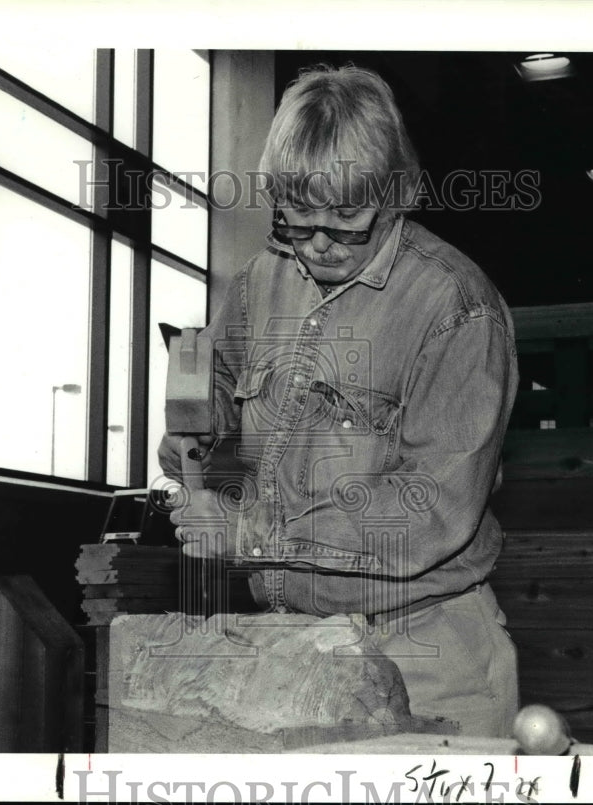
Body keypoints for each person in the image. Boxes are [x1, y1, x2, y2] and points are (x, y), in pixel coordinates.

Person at [159, 64, 520, 738]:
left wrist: (249, 531)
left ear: (399, 190)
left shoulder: (457, 309)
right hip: (291, 647)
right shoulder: (260, 281)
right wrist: (198, 430)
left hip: (422, 648)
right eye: (298, 219)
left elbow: (429, 510)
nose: (320, 243)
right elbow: (216, 384)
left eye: (349, 218)